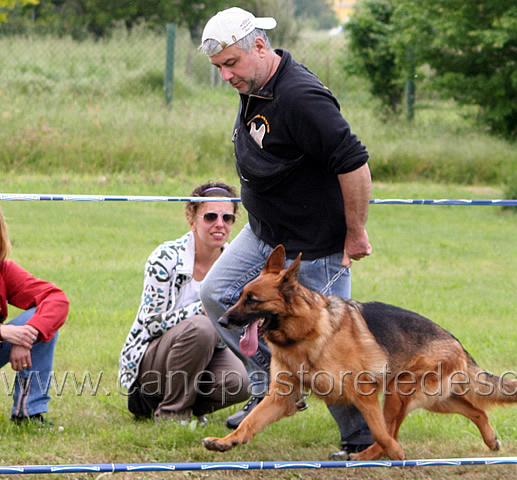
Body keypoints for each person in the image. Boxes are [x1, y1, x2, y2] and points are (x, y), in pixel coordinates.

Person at [199, 7, 374, 459]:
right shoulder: (258, 84)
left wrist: (355, 232)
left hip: (313, 248)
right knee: (219, 292)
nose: (226, 77)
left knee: (332, 346)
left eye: (231, 64)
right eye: (219, 69)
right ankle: (276, 390)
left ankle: (363, 439)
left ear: (260, 47)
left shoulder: (301, 97)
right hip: (265, 234)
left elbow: (354, 163)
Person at [119, 182, 250, 424]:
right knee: (202, 327)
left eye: (228, 218)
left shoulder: (237, 268)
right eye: (210, 217)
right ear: (192, 220)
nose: (219, 224)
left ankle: (186, 408)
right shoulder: (165, 258)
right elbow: (151, 324)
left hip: (209, 355)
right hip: (152, 363)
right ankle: (170, 415)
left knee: (244, 380)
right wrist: (200, 311)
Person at [0, 207, 68, 426]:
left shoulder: (4, 270)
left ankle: (28, 413)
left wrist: (29, 334)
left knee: (44, 318)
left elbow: (56, 297)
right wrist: (4, 332)